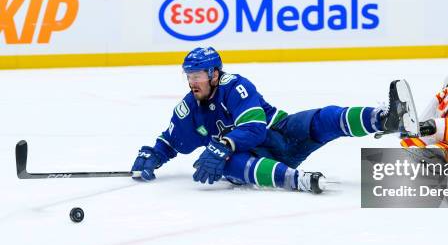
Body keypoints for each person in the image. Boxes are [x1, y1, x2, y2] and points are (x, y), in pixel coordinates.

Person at [130, 47, 411, 194]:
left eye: (199, 75)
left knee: (324, 117)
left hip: (280, 133)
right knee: (224, 163)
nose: (193, 82)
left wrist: (223, 143)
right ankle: (298, 181)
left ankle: (385, 120)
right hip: (254, 160)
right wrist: (153, 156)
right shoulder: (189, 109)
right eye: (189, 76)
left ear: (215, 74)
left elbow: (253, 129)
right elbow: (172, 140)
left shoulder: (235, 86)